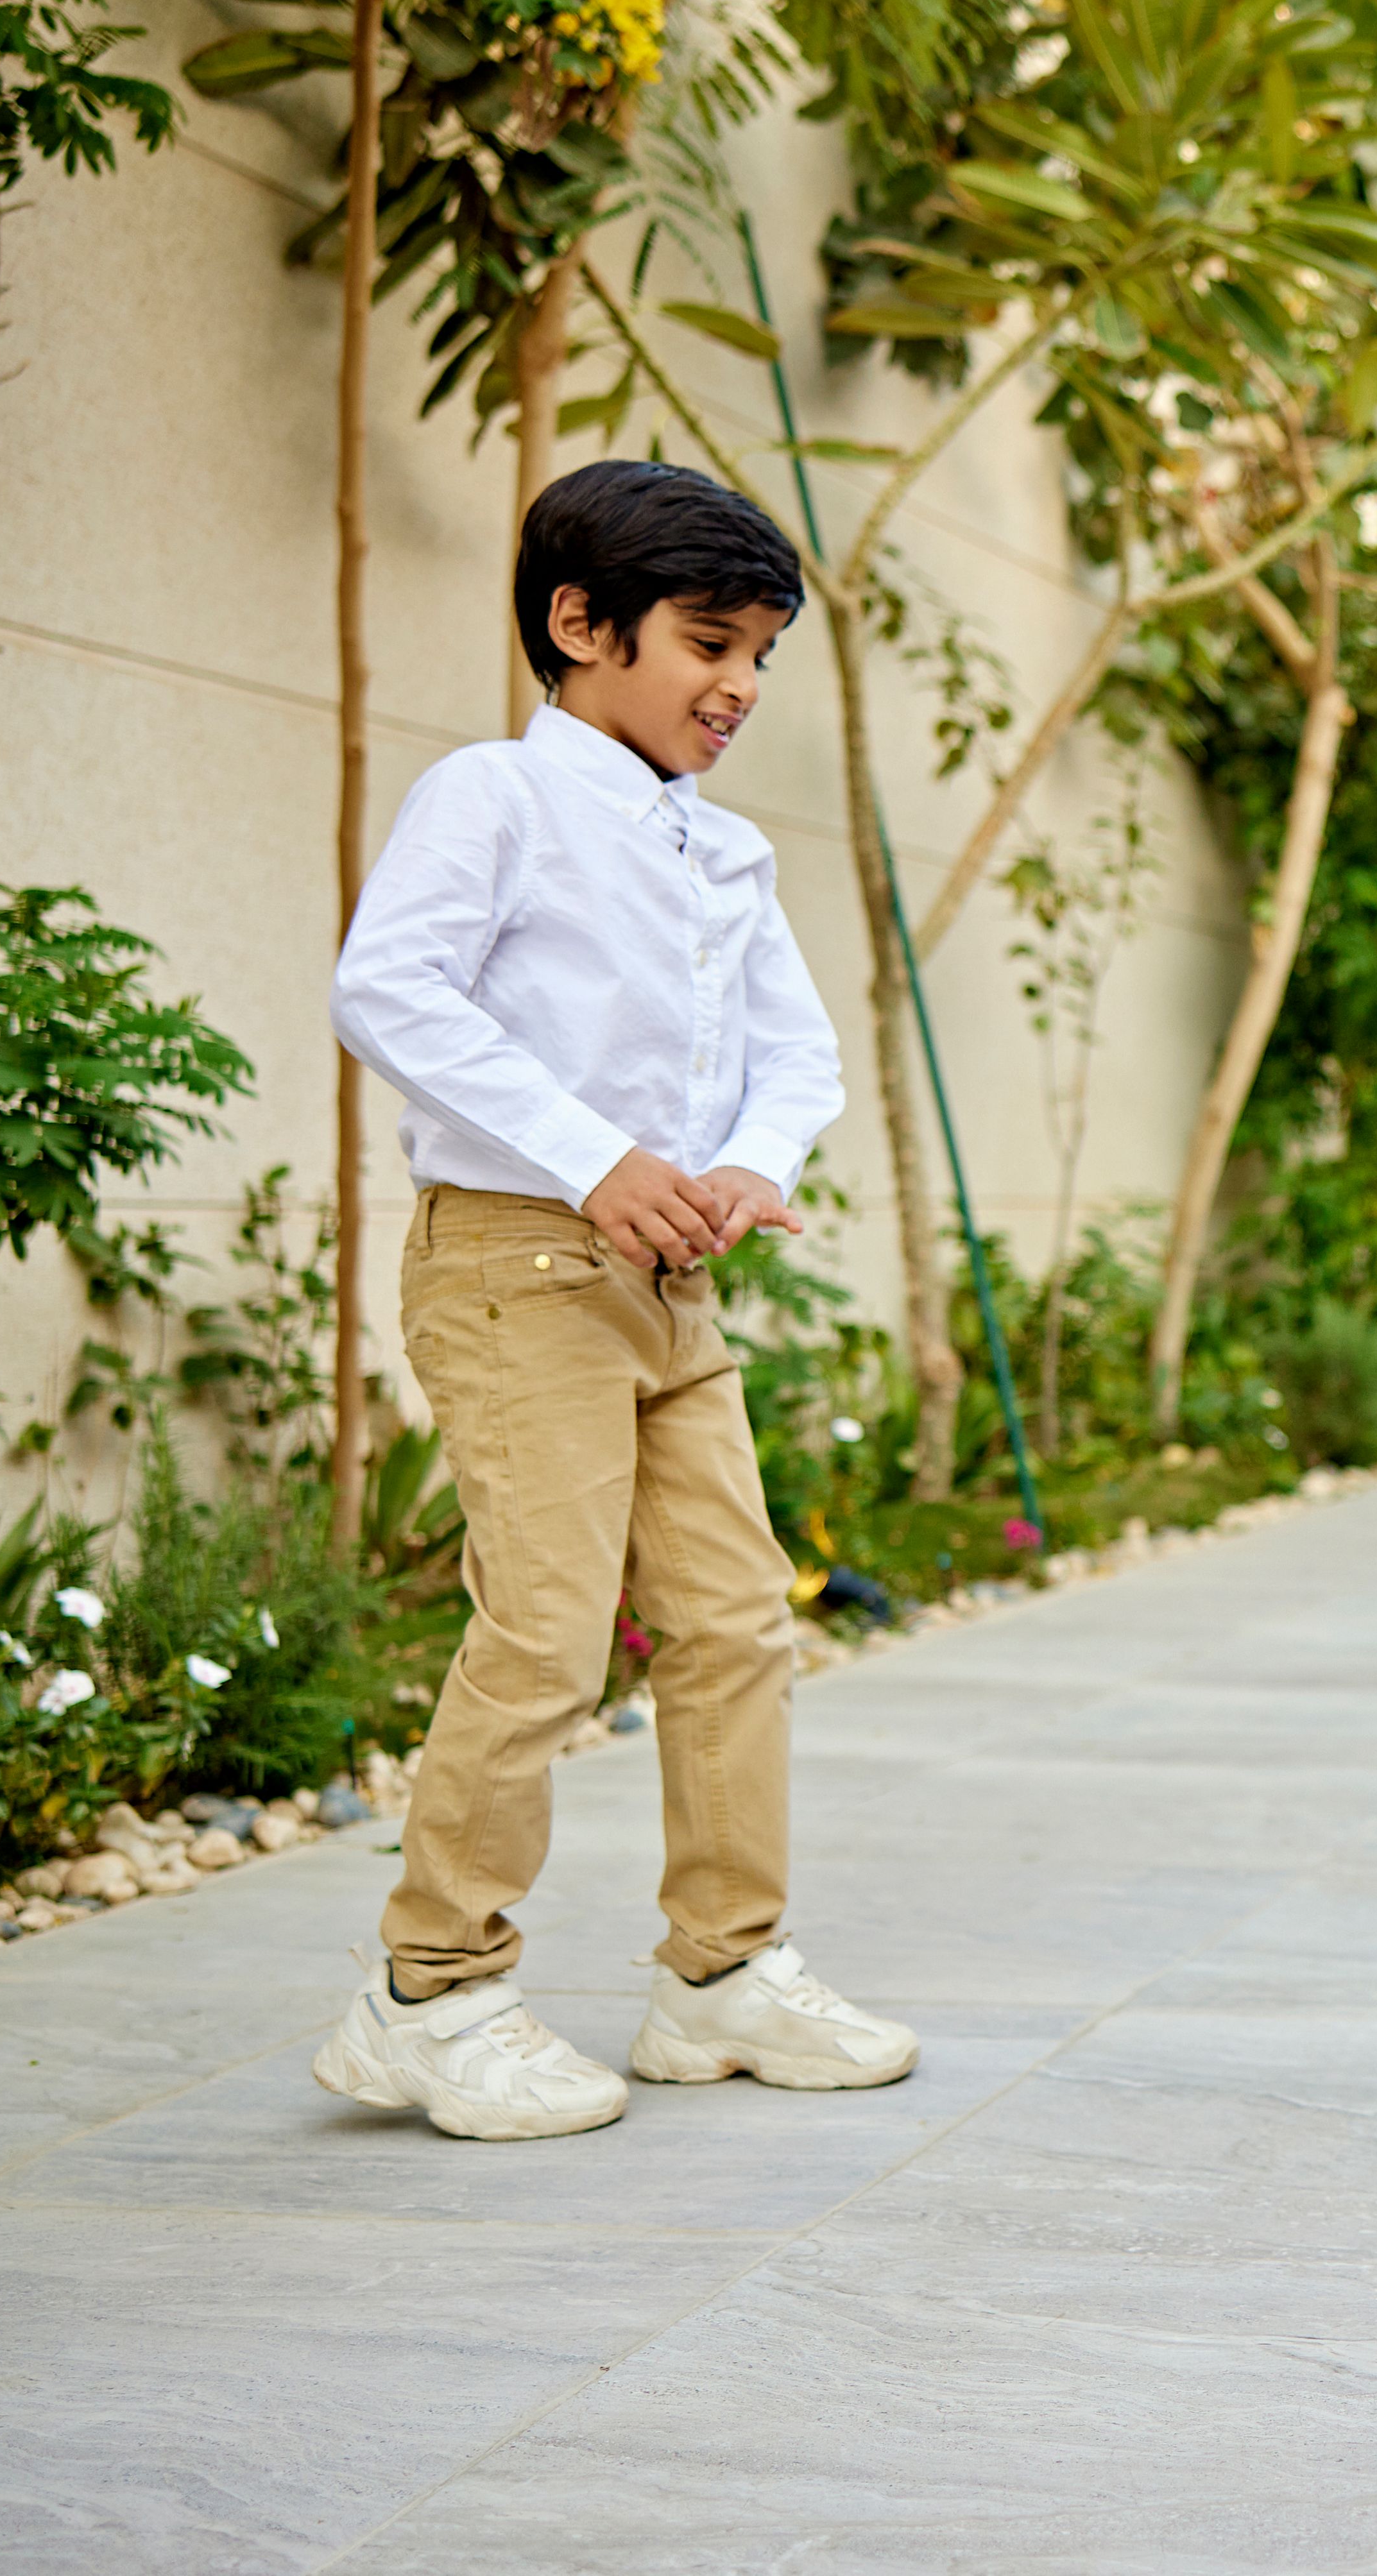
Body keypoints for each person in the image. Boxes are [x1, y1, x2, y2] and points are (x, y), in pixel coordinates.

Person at [312, 458, 918, 2142]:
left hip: (668, 1283)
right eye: (709, 645)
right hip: (517, 1266)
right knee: (546, 1631)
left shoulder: (724, 851)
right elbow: (389, 988)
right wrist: (595, 1160)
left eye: (759, 657)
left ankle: (720, 1975)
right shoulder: (495, 796)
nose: (738, 687)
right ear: (580, 625)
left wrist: (748, 1164)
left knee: (735, 1621)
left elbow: (798, 1055)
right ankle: (429, 1993)